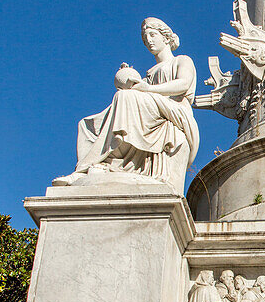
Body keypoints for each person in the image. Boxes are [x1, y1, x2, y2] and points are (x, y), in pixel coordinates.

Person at [54, 18, 199, 195]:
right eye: (146, 39)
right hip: (153, 109)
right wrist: (129, 79)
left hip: (175, 110)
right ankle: (88, 167)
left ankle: (92, 164)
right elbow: (140, 95)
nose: (149, 41)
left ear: (166, 38)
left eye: (153, 35)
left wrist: (147, 88)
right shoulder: (150, 73)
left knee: (124, 97)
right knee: (88, 124)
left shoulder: (182, 60)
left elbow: (183, 84)